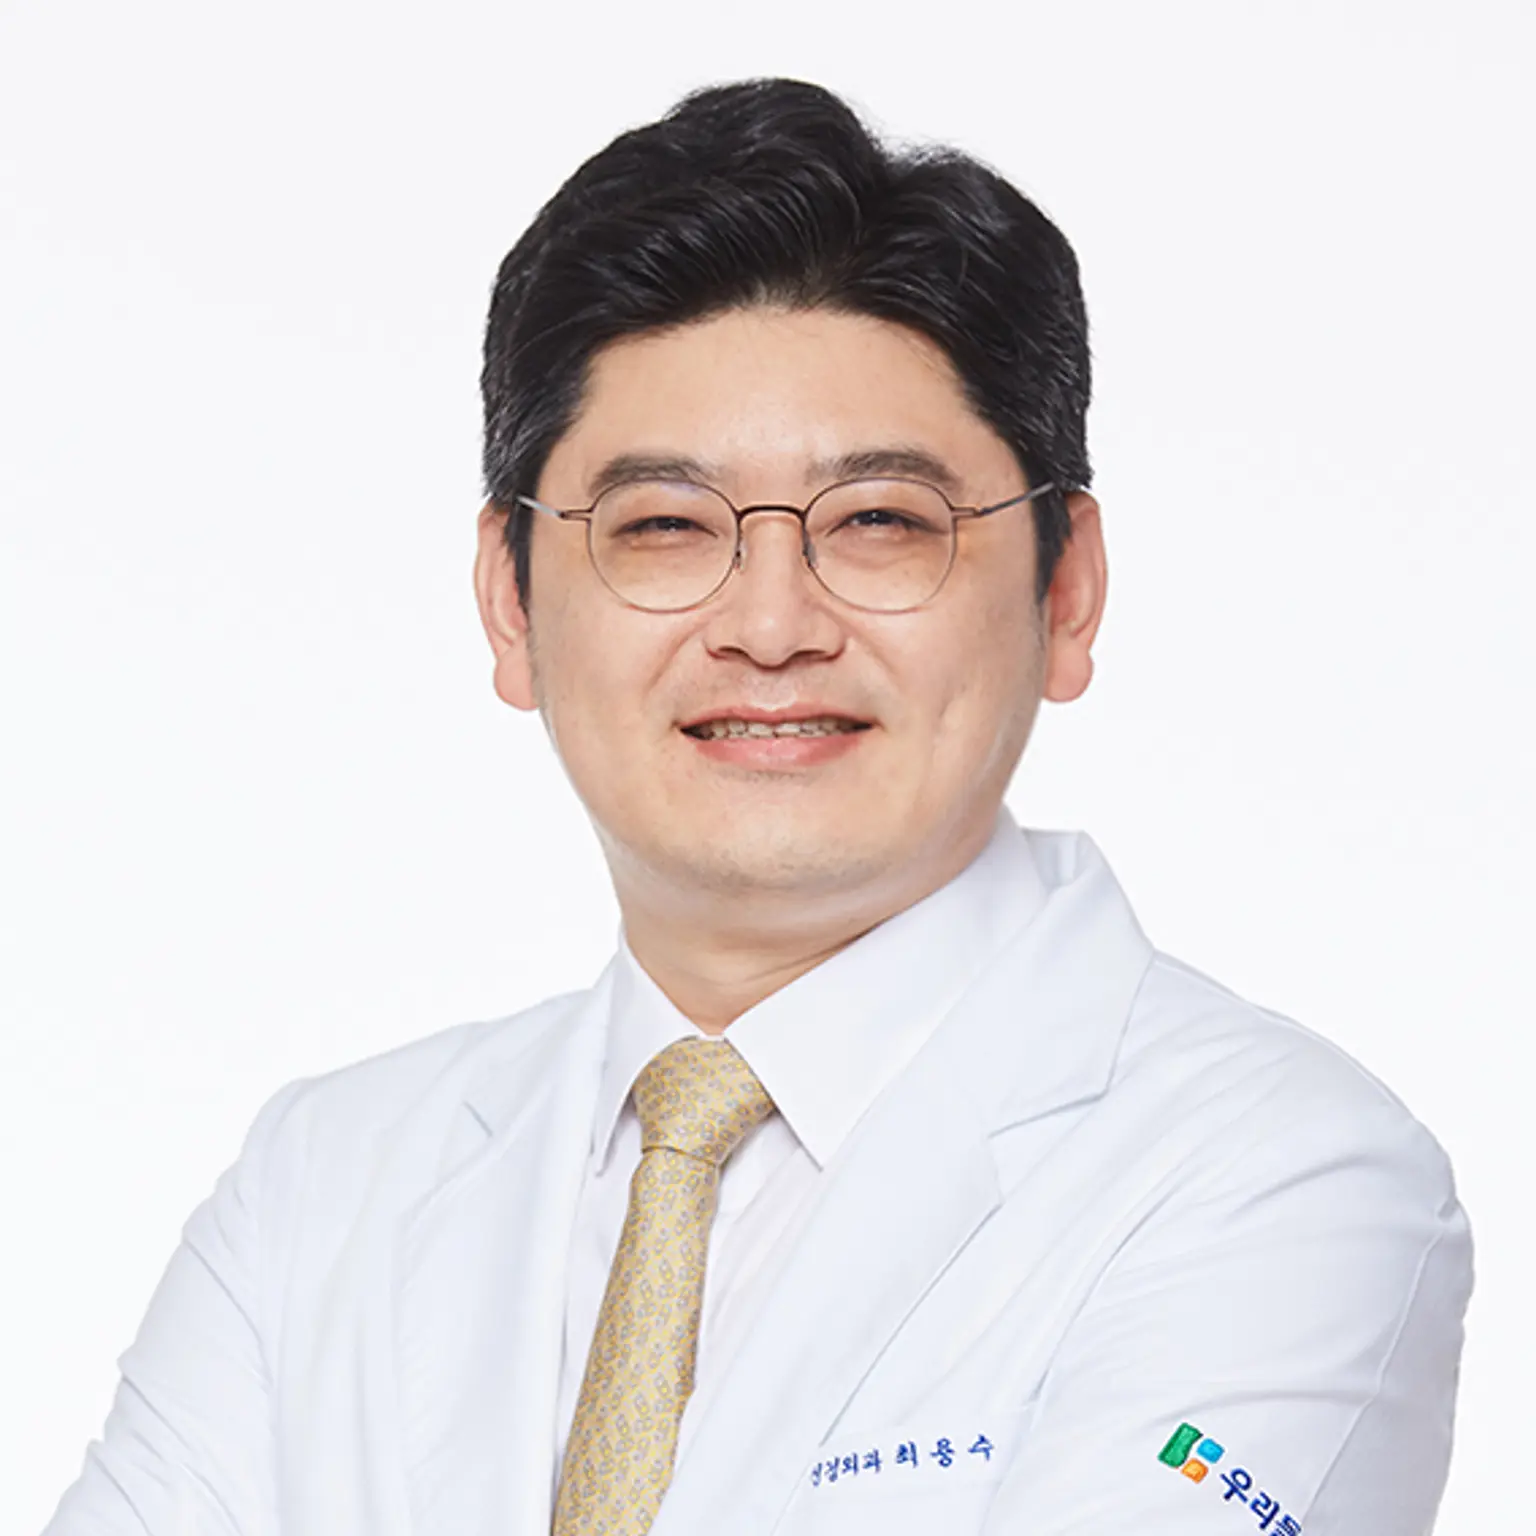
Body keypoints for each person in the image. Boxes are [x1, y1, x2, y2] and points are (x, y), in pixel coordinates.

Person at [44, 77, 1472, 1536]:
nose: (772, 625)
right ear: (510, 603)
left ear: (1068, 589)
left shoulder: (1284, 1181)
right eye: (664, 525)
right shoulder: (320, 1190)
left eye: (882, 521)